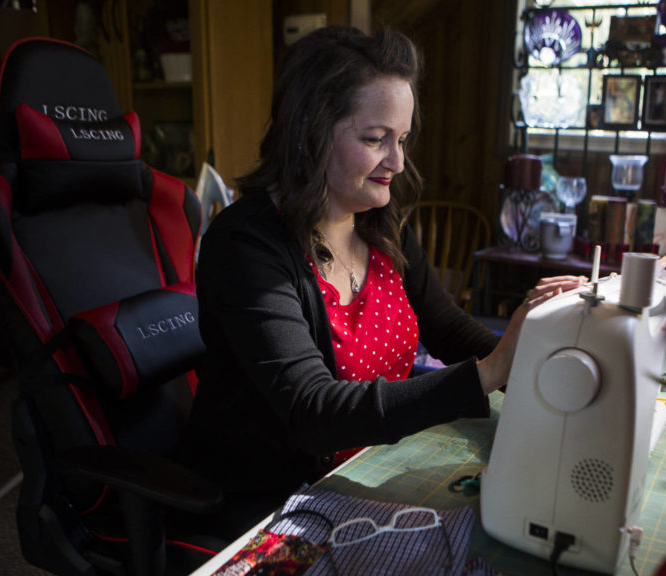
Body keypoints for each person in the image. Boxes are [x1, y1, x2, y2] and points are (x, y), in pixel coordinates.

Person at [185, 25, 585, 535]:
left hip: (369, 469)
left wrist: (536, 346)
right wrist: (491, 371)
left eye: (402, 139)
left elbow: (446, 328)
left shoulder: (382, 224)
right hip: (274, 506)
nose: (397, 162)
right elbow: (314, 412)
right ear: (308, 133)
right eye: (376, 140)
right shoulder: (246, 248)